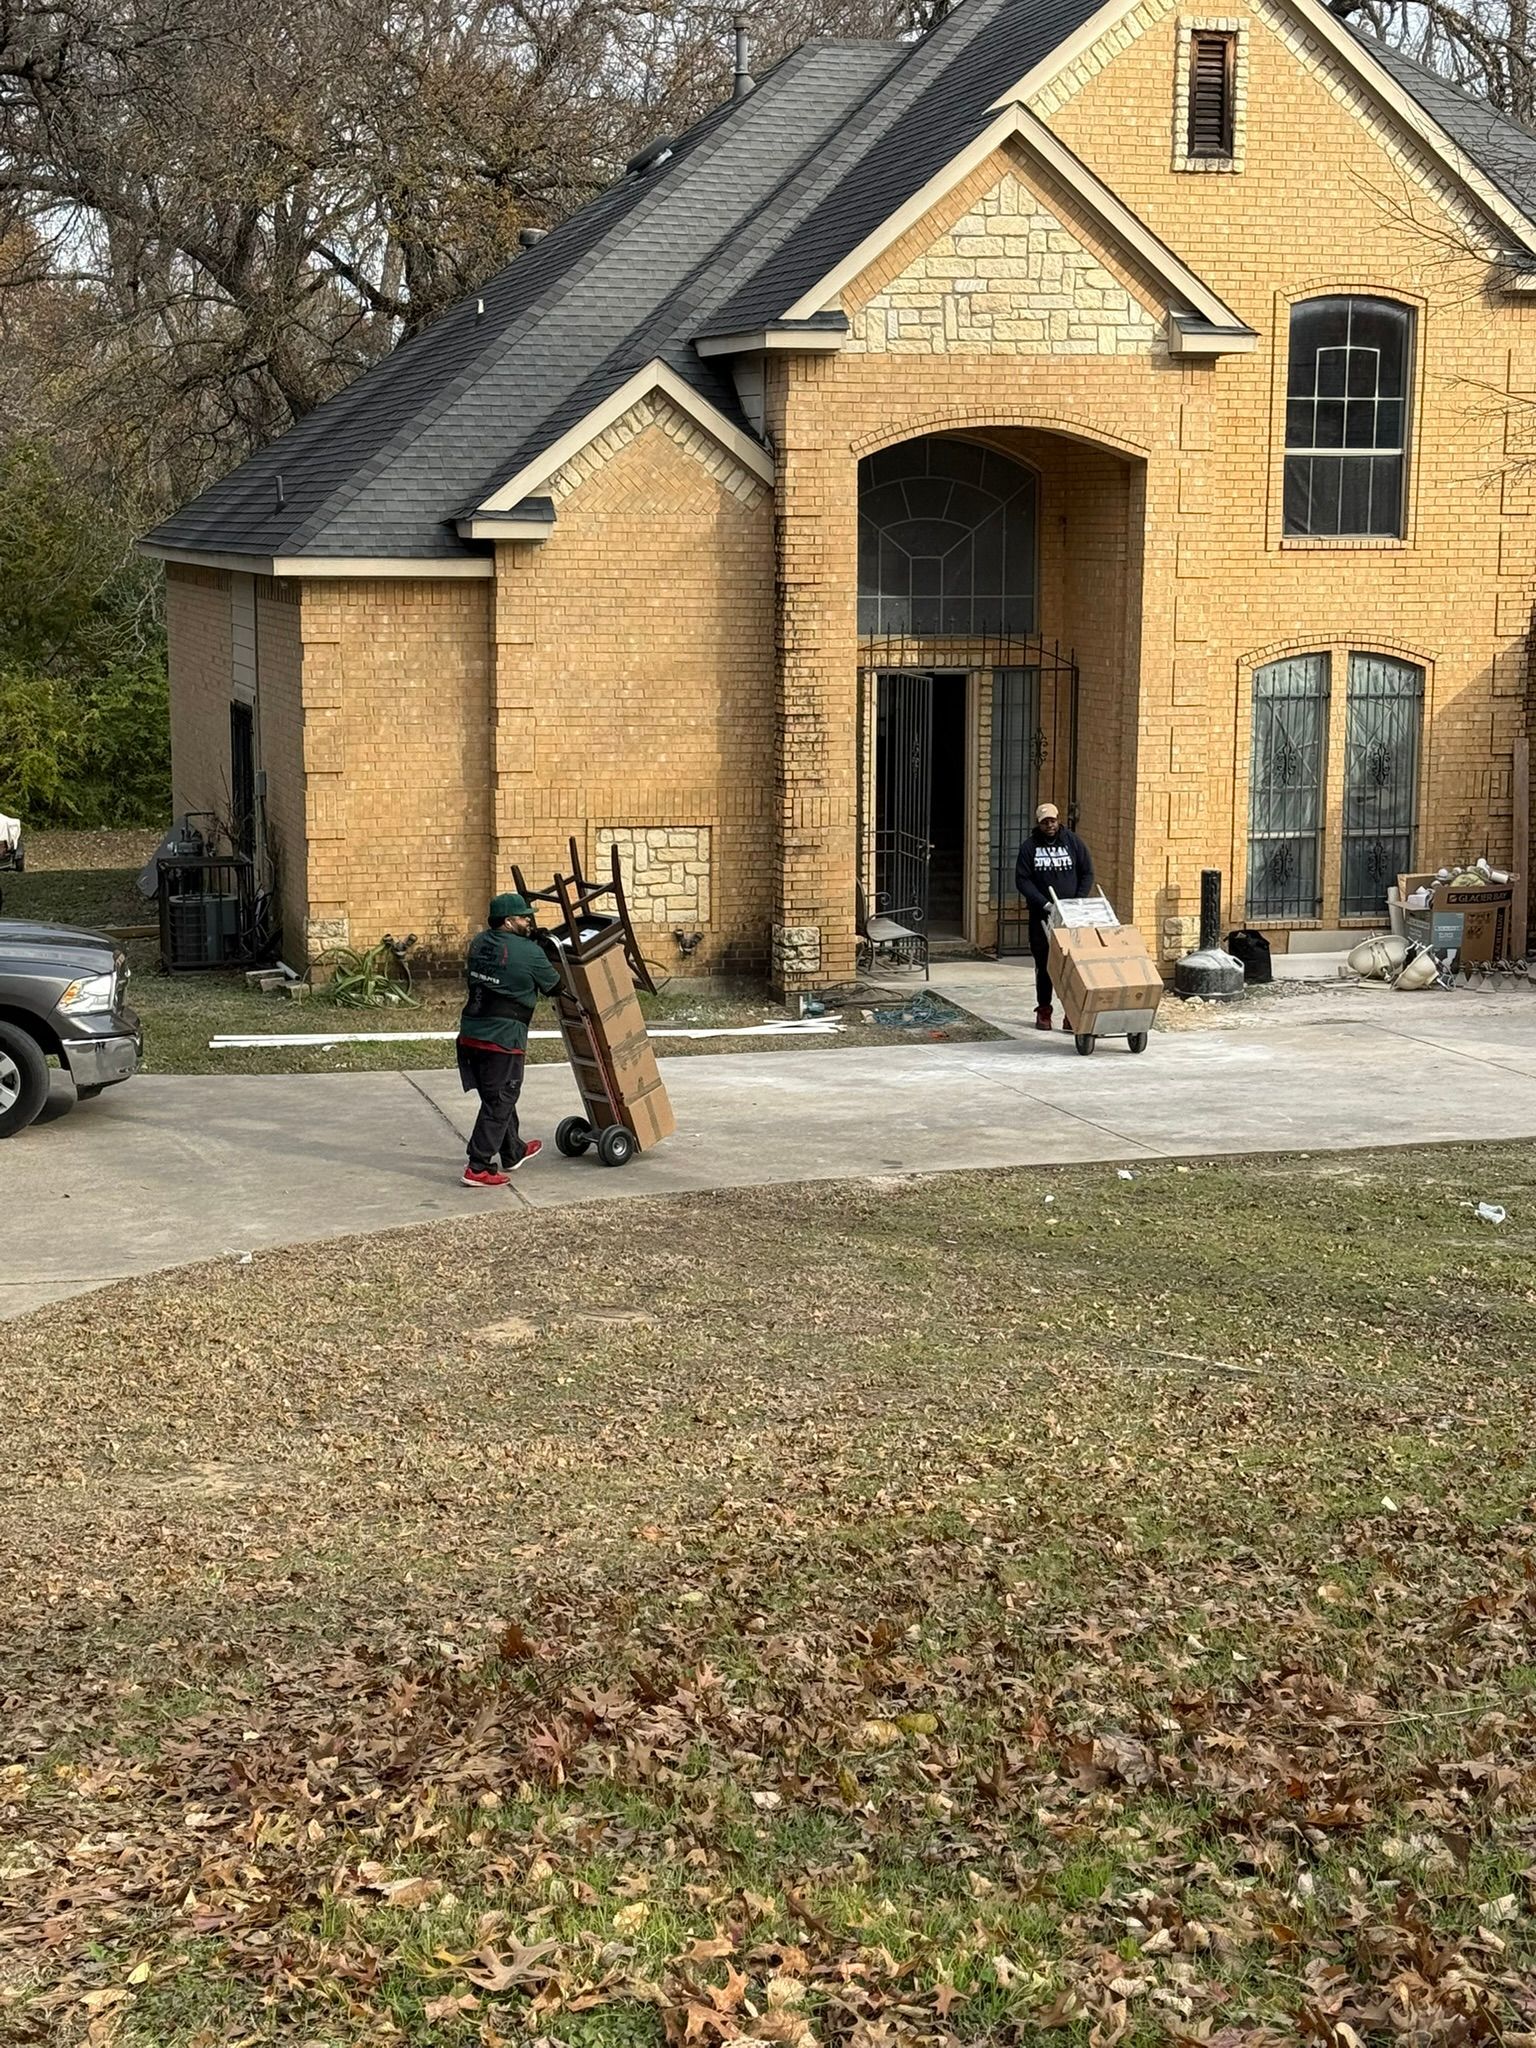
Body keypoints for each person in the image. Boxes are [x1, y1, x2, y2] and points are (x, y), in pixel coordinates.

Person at [456, 892, 561, 1187]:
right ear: (507, 921)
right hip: (503, 1038)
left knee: (496, 1095)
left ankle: (512, 1150)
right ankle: (477, 1166)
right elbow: (554, 986)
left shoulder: (478, 943)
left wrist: (527, 941)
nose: (529, 921)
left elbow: (503, 963)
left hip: (471, 1033)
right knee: (501, 1100)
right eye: (523, 917)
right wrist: (538, 949)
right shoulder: (529, 952)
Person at [1015, 802, 1096, 1032]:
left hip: (1071, 916)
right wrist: (1045, 903)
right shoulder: (1029, 847)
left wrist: (1076, 901)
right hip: (1043, 916)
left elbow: (1087, 872)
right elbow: (1022, 880)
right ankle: (1044, 1010)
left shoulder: (1073, 842)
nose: (1049, 825)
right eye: (1044, 822)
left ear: (1058, 820)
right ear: (1038, 823)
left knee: (1072, 965)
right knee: (1045, 964)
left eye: (1052, 820)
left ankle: (1071, 1012)